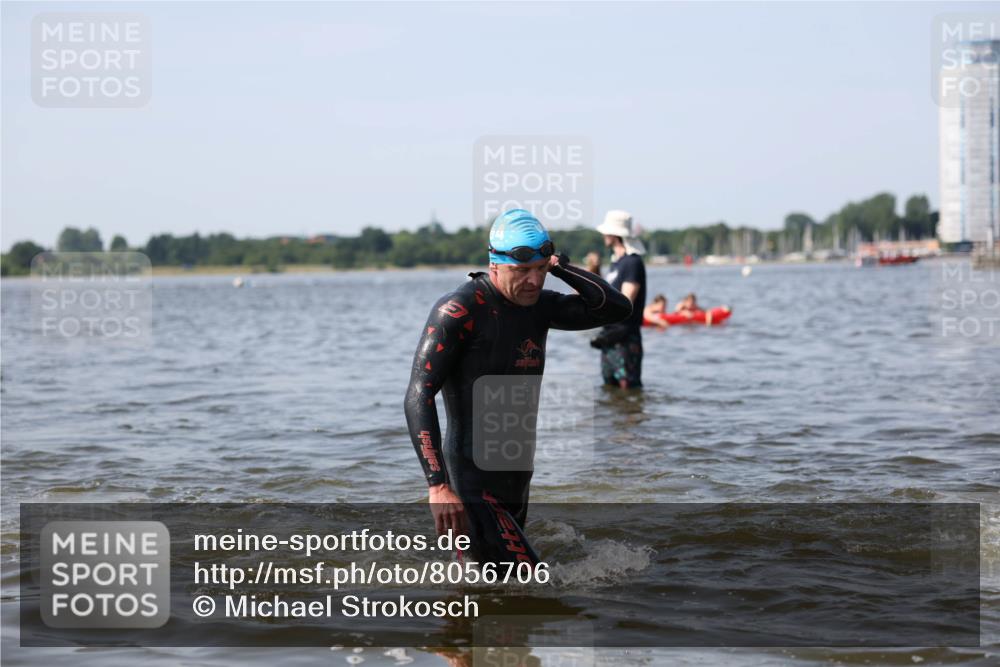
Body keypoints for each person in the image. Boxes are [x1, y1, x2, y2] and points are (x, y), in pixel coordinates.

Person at [404, 209, 631, 565]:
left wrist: (561, 268)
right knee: (530, 581)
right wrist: (437, 485)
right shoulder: (460, 310)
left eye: (540, 271)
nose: (533, 281)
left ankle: (456, 619)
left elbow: (616, 309)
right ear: (494, 265)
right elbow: (419, 394)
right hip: (470, 478)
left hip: (517, 473)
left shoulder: (538, 306)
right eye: (521, 271)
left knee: (490, 587)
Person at [589, 210, 648, 388]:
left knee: (628, 389)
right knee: (609, 388)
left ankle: (632, 415)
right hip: (610, 337)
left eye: (607, 231)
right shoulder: (617, 263)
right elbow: (607, 294)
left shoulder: (632, 263)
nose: (604, 235)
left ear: (615, 234)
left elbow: (625, 303)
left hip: (626, 338)